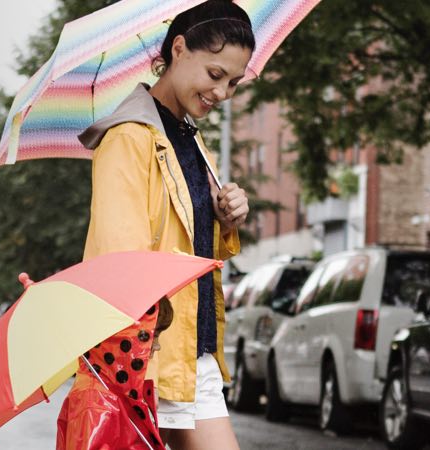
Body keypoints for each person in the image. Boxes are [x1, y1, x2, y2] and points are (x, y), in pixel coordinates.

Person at [56, 1, 253, 449]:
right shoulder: (130, 137)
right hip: (149, 353)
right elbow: (118, 261)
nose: (223, 93)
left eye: (235, 83)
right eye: (215, 75)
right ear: (179, 49)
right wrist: (138, 362)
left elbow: (191, 249)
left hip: (194, 350)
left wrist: (224, 221)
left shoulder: (189, 139)